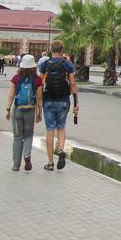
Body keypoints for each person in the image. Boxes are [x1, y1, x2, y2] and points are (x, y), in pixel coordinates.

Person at [39, 41, 79, 171]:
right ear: (62, 50)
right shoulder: (68, 64)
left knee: (50, 130)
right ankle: (61, 149)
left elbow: (40, 84)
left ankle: (50, 163)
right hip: (63, 100)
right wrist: (76, 102)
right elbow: (72, 83)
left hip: (49, 100)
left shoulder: (45, 64)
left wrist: (38, 103)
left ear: (51, 50)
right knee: (61, 128)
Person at [5, 54, 43, 171]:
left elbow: (11, 95)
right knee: (28, 135)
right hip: (30, 110)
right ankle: (27, 155)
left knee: (17, 137)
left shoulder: (16, 78)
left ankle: (16, 164)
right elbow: (39, 98)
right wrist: (39, 113)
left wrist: (7, 109)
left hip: (18, 109)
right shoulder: (37, 80)